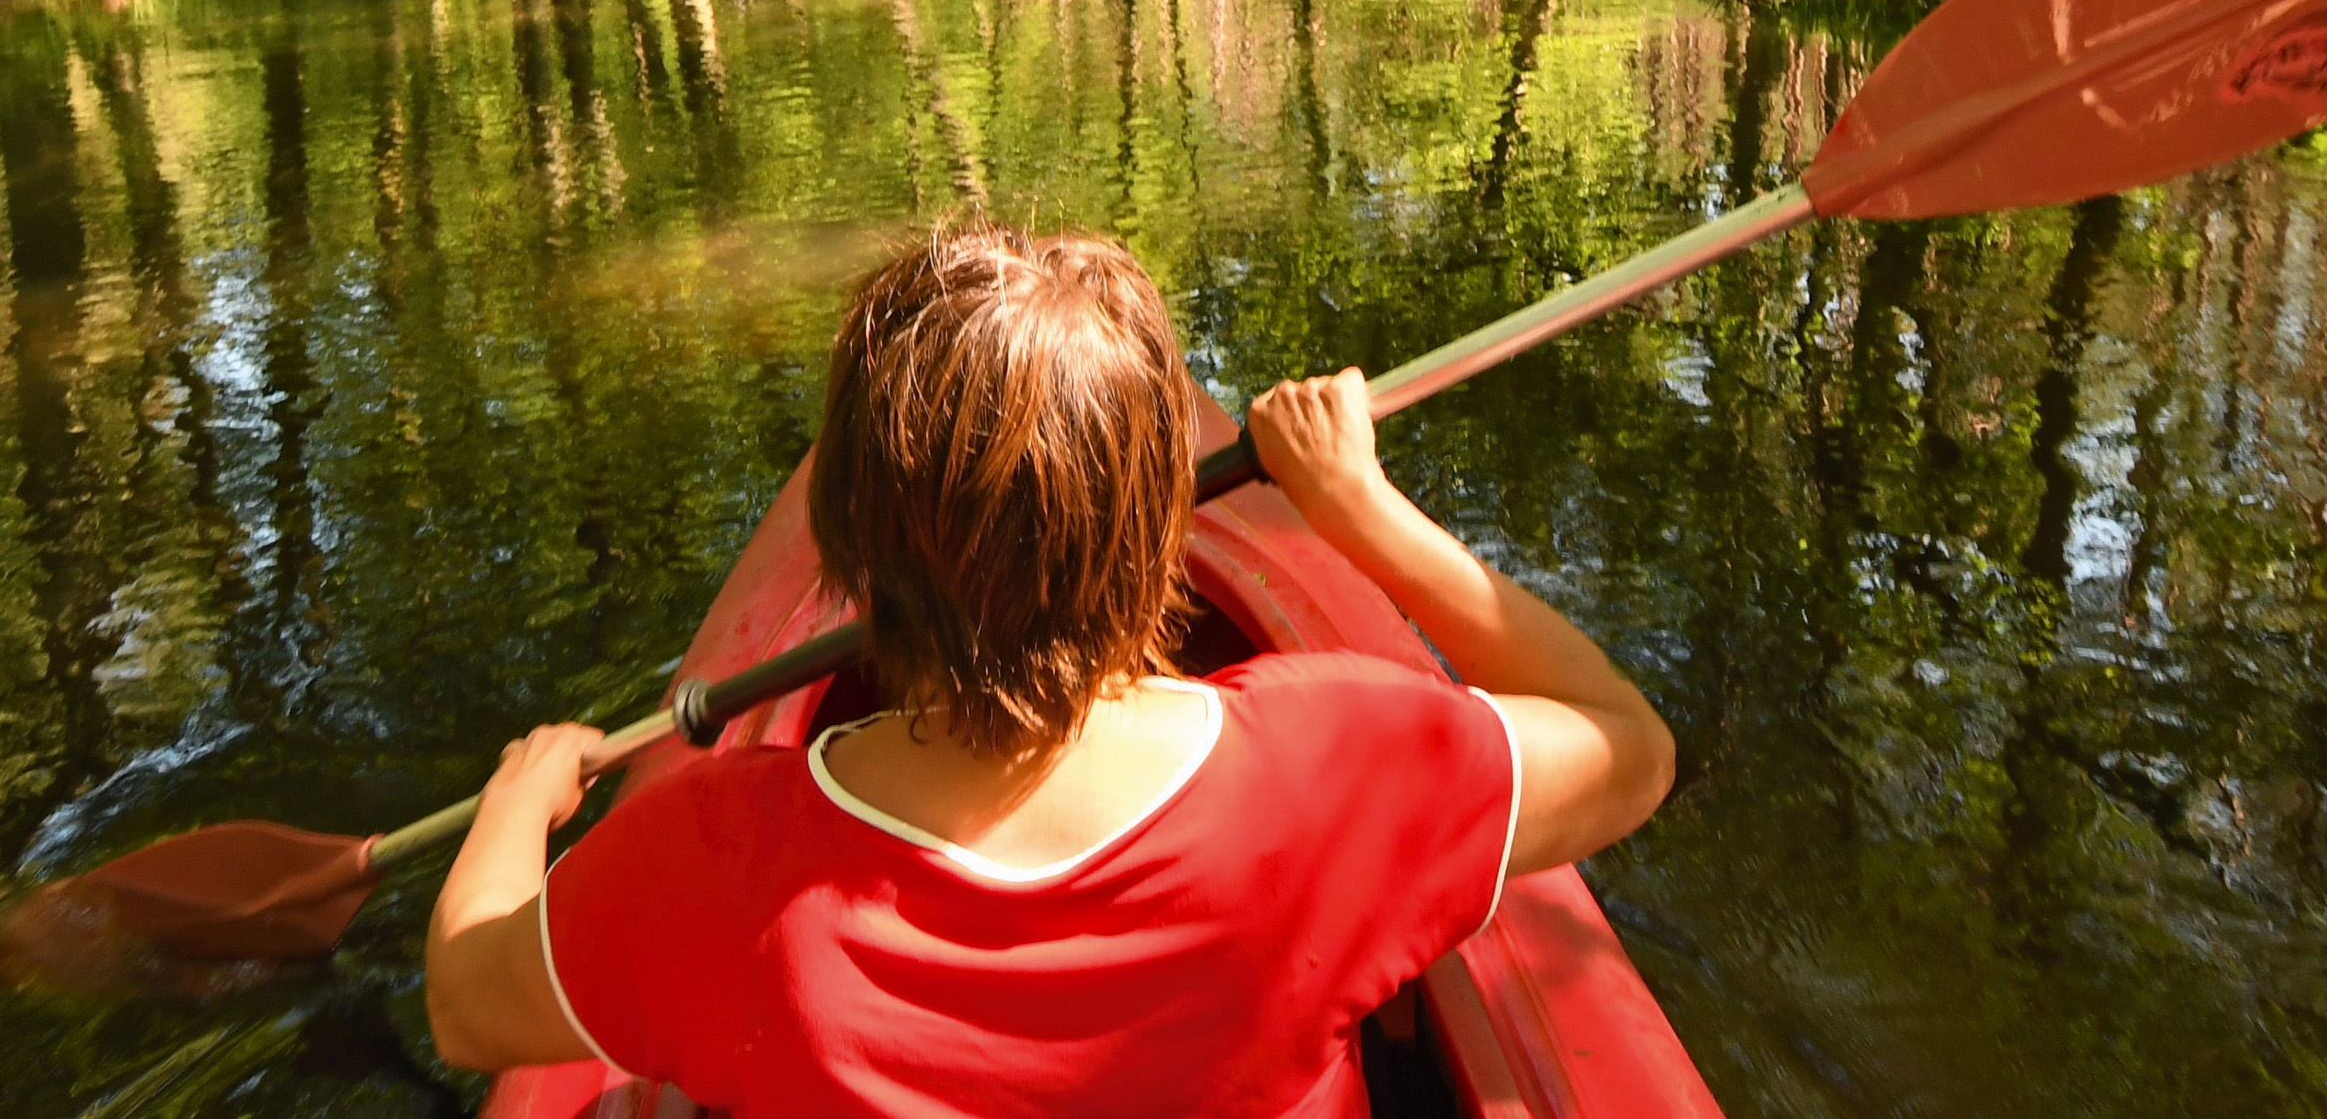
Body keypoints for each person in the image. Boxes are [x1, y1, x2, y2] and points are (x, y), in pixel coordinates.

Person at [421, 223, 1673, 1117]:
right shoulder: (1346, 765)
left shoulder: (711, 866)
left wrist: (520, 802)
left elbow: (469, 1003)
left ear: (851, 547)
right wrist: (1364, 514)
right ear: (1155, 542)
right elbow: (1627, 745)